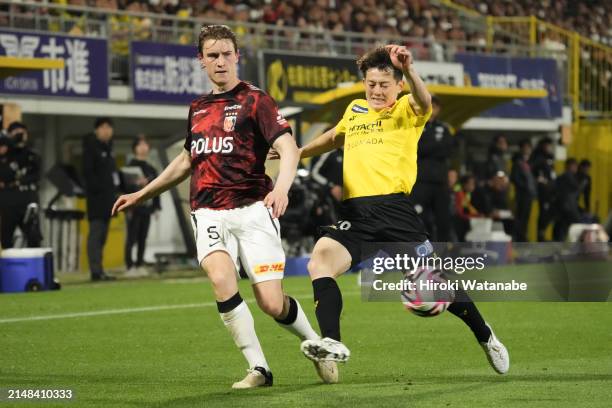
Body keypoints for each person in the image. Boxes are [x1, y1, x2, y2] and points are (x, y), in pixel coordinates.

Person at [111, 25, 334, 389]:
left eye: (226, 54)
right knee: (220, 279)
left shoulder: (256, 101)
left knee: (271, 303)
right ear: (201, 61)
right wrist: (142, 194)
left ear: (237, 56)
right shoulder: (197, 108)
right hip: (208, 210)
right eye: (212, 55)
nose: (220, 61)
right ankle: (259, 368)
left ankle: (315, 344)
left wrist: (282, 188)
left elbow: (290, 148)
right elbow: (186, 161)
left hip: (253, 209)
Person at [294, 45, 509, 378]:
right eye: (371, 84)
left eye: (383, 84)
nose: (377, 90)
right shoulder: (355, 110)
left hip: (395, 211)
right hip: (356, 213)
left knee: (438, 288)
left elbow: (424, 101)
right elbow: (335, 137)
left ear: (397, 86)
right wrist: (298, 153)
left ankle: (486, 336)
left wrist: (410, 70)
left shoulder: (408, 109)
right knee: (319, 262)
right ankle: (331, 345)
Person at [410, 95, 454, 241]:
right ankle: (420, 254)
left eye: (435, 106)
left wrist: (429, 148)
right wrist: (437, 145)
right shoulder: (415, 126)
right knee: (419, 217)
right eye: (430, 105)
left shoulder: (444, 128)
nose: (432, 109)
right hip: (420, 179)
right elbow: (416, 149)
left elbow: (449, 149)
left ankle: (443, 257)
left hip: (440, 181)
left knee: (443, 220)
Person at [83, 117, 120, 282]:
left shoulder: (109, 148)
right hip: (97, 200)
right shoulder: (91, 148)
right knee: (96, 235)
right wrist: (99, 190)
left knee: (103, 236)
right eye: (103, 127)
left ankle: (100, 270)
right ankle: (95, 271)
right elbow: (88, 174)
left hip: (108, 200)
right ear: (96, 130)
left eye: (109, 127)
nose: (106, 130)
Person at [0, 121, 41, 249]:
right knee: (6, 237)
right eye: (15, 133)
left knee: (33, 236)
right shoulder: (4, 154)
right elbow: (6, 175)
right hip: (8, 200)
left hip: (28, 199)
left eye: (22, 132)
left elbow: (35, 175)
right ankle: (7, 267)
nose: (19, 135)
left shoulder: (31, 154)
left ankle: (33, 266)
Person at [123, 135, 160, 276]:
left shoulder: (151, 168)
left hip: (147, 208)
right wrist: (136, 184)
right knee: (131, 237)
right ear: (134, 148)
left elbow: (158, 187)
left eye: (145, 144)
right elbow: (125, 187)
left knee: (143, 238)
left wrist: (156, 207)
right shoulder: (129, 167)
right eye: (139, 145)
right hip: (133, 208)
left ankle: (139, 264)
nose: (143, 147)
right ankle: (129, 266)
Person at [510, 139, 536, 241]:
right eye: (525, 147)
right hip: (522, 195)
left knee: (525, 218)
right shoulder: (518, 162)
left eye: (529, 147)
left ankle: (522, 236)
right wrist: (524, 187)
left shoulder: (528, 162)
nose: (527, 149)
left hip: (528, 195)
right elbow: (514, 178)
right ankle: (519, 238)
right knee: (520, 217)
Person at [530, 137, 556, 241]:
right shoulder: (538, 157)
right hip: (543, 190)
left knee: (550, 212)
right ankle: (540, 235)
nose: (548, 147)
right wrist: (540, 180)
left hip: (551, 190)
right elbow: (533, 171)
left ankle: (543, 233)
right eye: (547, 145)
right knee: (544, 213)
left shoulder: (549, 158)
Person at [553, 158, 581, 241]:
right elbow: (575, 189)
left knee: (561, 227)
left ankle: (559, 245)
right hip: (568, 207)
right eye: (575, 166)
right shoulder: (568, 176)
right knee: (572, 226)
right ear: (570, 166)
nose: (576, 168)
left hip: (562, 206)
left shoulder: (561, 177)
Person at [453, 174, 480, 242]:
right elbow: (460, 213)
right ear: (464, 184)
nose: (473, 186)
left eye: (473, 184)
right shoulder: (459, 193)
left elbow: (469, 208)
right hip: (457, 222)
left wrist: (477, 215)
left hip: (462, 219)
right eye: (470, 184)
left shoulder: (468, 194)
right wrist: (473, 216)